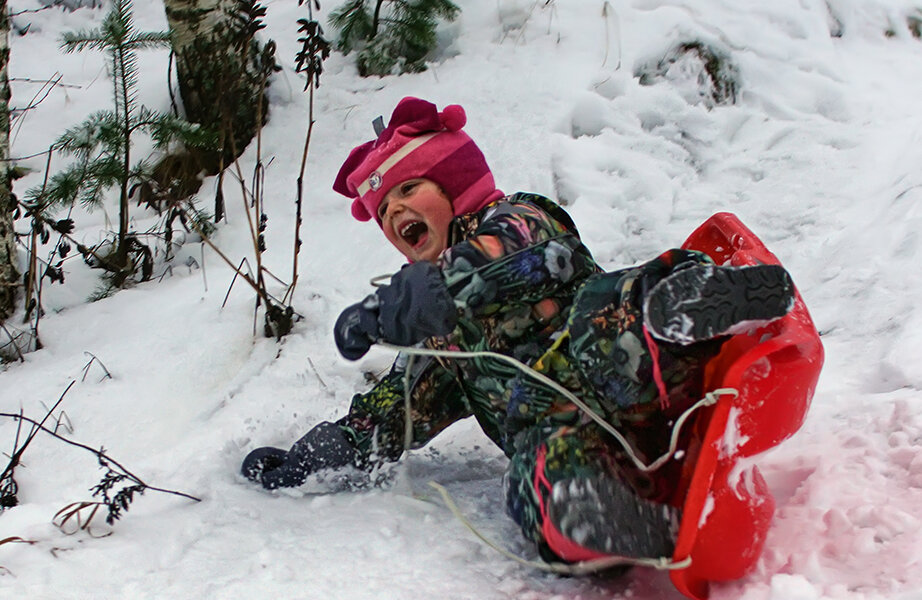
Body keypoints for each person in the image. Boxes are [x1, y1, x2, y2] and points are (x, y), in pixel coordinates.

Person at [240, 97, 795, 564]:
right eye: (384, 209)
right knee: (532, 477)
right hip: (581, 436)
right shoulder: (441, 339)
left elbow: (497, 259)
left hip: (650, 380)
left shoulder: (522, 220)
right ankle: (599, 519)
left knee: (604, 321)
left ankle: (698, 302)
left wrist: (421, 295)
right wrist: (320, 455)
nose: (394, 212)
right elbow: (399, 405)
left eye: (408, 190)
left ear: (455, 181)